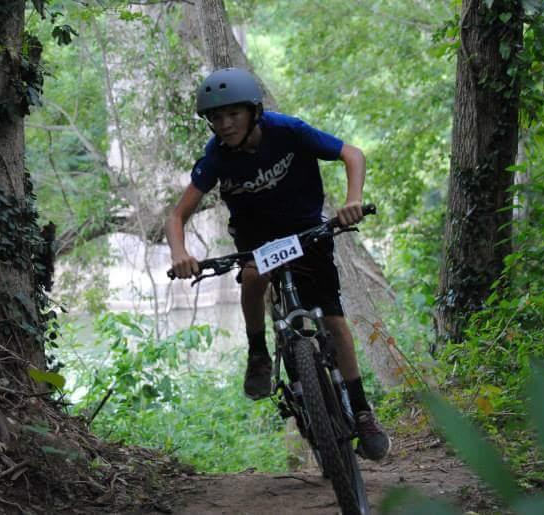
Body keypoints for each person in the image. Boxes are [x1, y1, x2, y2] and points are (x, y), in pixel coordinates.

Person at [165, 67, 391, 461]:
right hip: (257, 241)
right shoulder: (216, 156)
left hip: (306, 232)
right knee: (252, 278)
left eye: (232, 114)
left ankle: (361, 410)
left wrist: (352, 199)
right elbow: (176, 216)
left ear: (254, 111)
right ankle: (258, 353)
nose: (224, 123)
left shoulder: (288, 130)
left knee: (334, 321)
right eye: (215, 117)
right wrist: (180, 253)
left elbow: (351, 154)